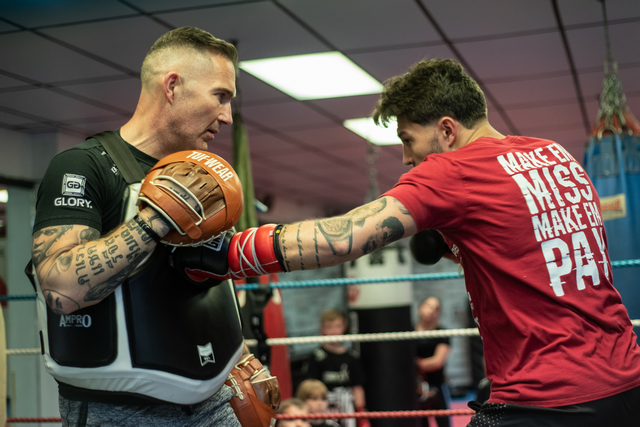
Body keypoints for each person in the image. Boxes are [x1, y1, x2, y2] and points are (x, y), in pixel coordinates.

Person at [193, 57, 640, 426]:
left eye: (408, 140)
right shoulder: (555, 155)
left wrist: (228, 252)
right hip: (627, 382)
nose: (407, 158)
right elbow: (531, 248)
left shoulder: (455, 171)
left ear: (447, 130)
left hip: (547, 400)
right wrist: (457, 245)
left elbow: (343, 239)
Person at [29, 27, 258, 426]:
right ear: (172, 86)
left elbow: (199, 282)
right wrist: (156, 219)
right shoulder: (84, 166)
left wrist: (240, 355)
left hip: (212, 397)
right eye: (220, 96)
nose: (226, 115)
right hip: (123, 411)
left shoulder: (196, 176)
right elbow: (60, 290)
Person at [303, 310, 369, 427]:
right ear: (322, 329)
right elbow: (309, 387)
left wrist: (361, 414)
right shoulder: (317, 357)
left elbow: (357, 388)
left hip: (346, 406)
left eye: (338, 326)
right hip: (322, 405)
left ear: (344, 328)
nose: (334, 331)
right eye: (329, 327)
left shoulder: (351, 357)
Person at [415, 297, 451, 427]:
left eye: (436, 309)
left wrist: (416, 364)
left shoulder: (442, 333)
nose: (431, 311)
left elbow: (437, 362)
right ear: (420, 308)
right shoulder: (409, 332)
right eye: (428, 306)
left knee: (444, 423)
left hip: (437, 384)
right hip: (415, 387)